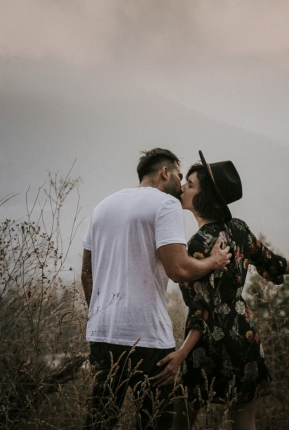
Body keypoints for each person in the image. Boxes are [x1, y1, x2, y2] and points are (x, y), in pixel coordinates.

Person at [161, 151, 289, 430]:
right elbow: (273, 264)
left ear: (205, 198)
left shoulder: (197, 245)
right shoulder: (239, 230)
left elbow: (201, 310)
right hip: (244, 333)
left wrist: (181, 354)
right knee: (244, 423)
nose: (182, 187)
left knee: (182, 423)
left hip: (207, 343)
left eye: (190, 185)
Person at [81, 148, 232, 430]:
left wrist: (98, 314)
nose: (181, 182)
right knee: (154, 423)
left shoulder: (101, 207)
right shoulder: (165, 204)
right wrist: (214, 261)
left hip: (102, 334)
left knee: (100, 421)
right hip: (147, 338)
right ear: (165, 172)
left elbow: (87, 274)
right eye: (178, 174)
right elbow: (179, 270)